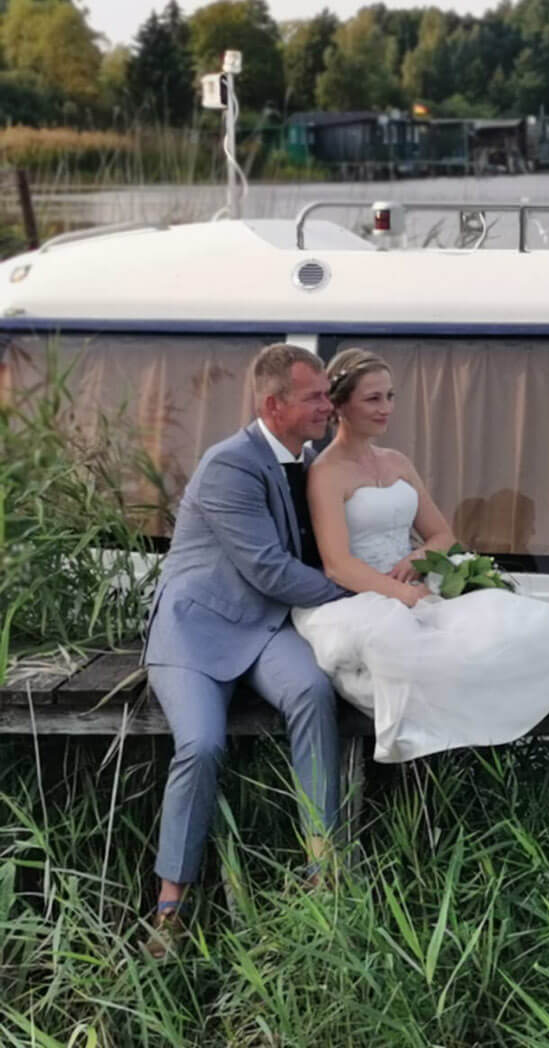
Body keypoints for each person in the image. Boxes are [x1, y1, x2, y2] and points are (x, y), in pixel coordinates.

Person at [290, 348, 549, 763]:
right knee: (434, 656)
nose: (386, 408)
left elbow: (443, 534)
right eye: (373, 399)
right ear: (340, 404)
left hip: (418, 586)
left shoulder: (397, 462)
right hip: (367, 598)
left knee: (509, 618)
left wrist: (421, 556)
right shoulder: (326, 473)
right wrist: (400, 595)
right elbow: (337, 563)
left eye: (390, 396)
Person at [141, 344, 351, 959]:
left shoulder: (307, 457)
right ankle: (170, 906)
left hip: (263, 629)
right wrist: (368, 589)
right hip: (198, 631)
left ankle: (323, 870)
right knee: (202, 744)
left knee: (313, 692)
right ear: (273, 404)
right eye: (314, 397)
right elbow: (270, 570)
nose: (327, 406)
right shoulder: (230, 464)